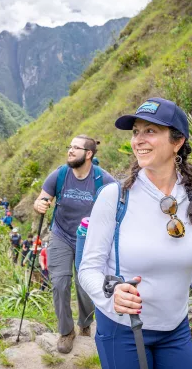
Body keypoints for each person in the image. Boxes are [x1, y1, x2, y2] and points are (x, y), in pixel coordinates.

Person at [78, 98, 192, 368]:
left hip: (175, 330)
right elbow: (88, 269)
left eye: (150, 131)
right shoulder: (115, 197)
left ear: (177, 142)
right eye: (136, 132)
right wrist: (111, 295)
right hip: (123, 330)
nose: (138, 140)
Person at [34, 135, 115, 354]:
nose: (70, 151)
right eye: (69, 147)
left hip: (88, 238)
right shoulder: (60, 174)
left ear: (88, 154)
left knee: (85, 284)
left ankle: (85, 323)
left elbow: (118, 205)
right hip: (60, 235)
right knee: (59, 283)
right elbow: (42, 198)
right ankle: (66, 332)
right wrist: (40, 205)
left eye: (76, 148)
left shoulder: (103, 180)